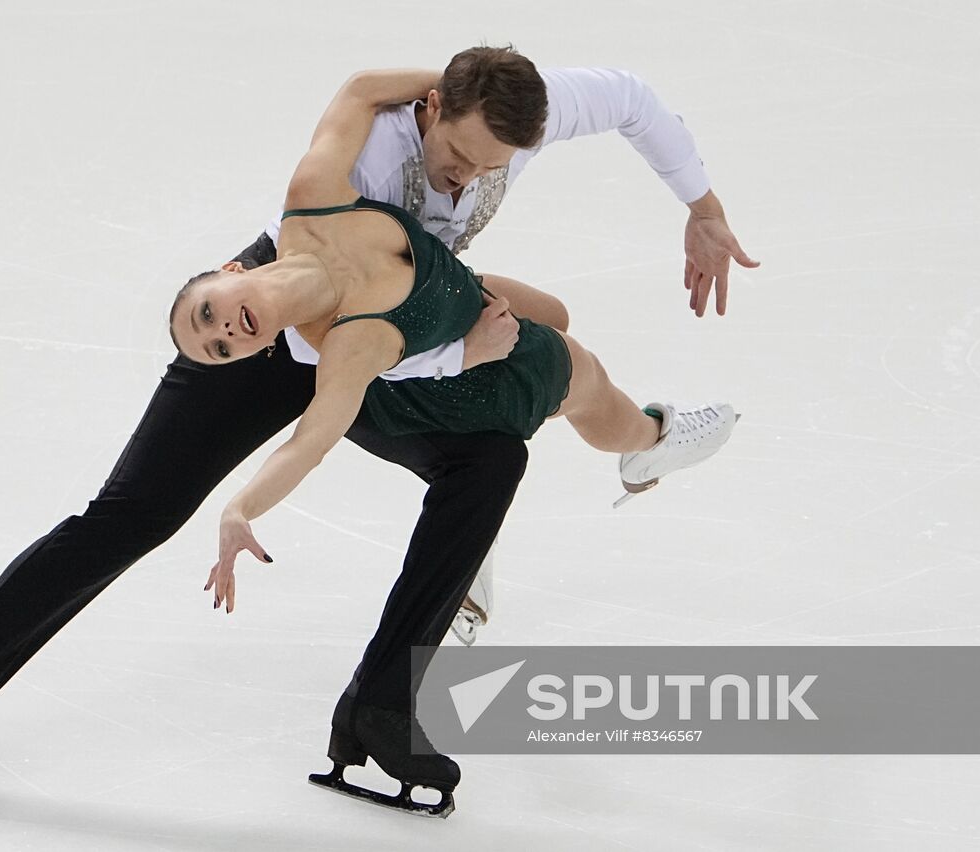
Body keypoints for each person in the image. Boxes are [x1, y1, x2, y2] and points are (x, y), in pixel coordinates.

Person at [0, 45, 756, 817]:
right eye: (457, 154)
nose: (467, 176)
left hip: (382, 342)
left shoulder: (518, 112)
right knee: (129, 517)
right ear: (432, 107)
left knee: (488, 462)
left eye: (489, 166)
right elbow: (358, 100)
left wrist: (703, 208)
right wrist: (444, 349)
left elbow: (632, 100)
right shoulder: (362, 158)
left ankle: (382, 709)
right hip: (271, 325)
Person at [167, 67, 742, 815]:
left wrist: (461, 84)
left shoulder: (312, 195)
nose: (225, 332)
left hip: (459, 290)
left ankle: (480, 551)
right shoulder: (344, 345)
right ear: (250, 355)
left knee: (555, 312)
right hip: (462, 364)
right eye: (219, 349)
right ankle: (651, 439)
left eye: (207, 314)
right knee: (576, 373)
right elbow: (309, 441)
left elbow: (357, 89)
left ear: (229, 271)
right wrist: (240, 508)